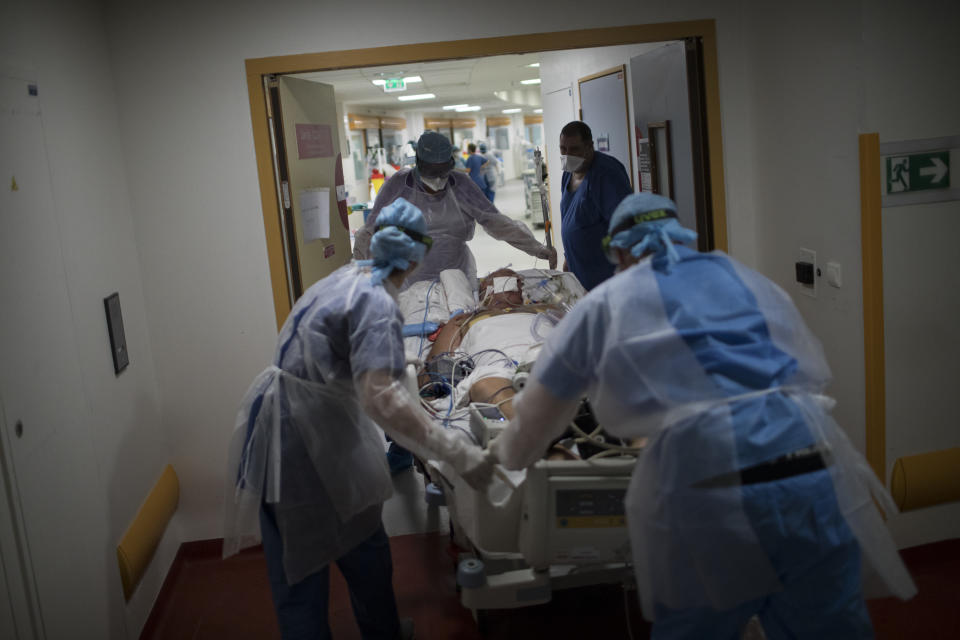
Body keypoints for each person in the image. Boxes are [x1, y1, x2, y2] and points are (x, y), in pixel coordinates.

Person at [490, 193, 916, 639]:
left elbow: (534, 426)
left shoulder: (603, 305)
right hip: (811, 466)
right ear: (679, 234)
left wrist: (501, 454)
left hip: (711, 492)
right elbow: (805, 372)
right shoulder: (742, 277)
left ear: (618, 250)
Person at [224, 198, 495, 640]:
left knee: (297, 564)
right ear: (417, 255)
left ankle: (376, 629)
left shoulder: (342, 279)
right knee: (361, 546)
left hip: (273, 425)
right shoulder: (376, 304)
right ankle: (382, 632)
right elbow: (382, 400)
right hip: (307, 437)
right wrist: (456, 453)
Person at [354, 132, 556, 286]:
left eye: (443, 171)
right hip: (409, 280)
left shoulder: (461, 184)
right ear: (418, 163)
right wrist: (366, 277)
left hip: (457, 274)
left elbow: (497, 222)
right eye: (432, 172)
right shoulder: (399, 185)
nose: (438, 179)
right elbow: (369, 232)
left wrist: (537, 249)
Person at [557, 120, 633, 291]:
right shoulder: (568, 175)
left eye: (574, 149)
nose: (568, 155)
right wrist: (568, 257)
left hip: (606, 278)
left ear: (589, 146)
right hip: (581, 275)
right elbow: (569, 217)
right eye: (563, 149)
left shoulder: (606, 175)